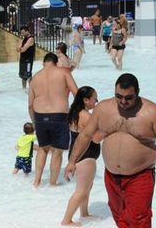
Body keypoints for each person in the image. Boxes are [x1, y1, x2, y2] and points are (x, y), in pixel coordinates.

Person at [65, 73, 156, 228]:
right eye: (119, 96)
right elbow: (85, 135)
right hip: (111, 176)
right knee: (120, 217)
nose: (123, 101)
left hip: (140, 176)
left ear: (137, 93)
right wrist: (72, 161)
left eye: (128, 98)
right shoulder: (103, 109)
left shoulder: (153, 113)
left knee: (138, 219)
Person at [28, 52, 78, 187]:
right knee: (57, 151)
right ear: (56, 63)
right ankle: (52, 183)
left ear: (43, 63)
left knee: (43, 149)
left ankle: (37, 181)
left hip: (39, 116)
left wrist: (34, 121)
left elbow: (30, 105)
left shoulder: (35, 78)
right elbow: (76, 93)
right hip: (59, 115)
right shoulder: (63, 72)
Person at [61, 86, 103, 226]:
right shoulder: (86, 116)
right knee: (81, 190)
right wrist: (109, 128)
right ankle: (66, 220)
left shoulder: (75, 113)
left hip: (77, 153)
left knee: (87, 187)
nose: (97, 101)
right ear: (85, 100)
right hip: (85, 156)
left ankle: (84, 213)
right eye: (95, 99)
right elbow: (97, 138)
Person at [17, 26, 35, 91]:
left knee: (28, 74)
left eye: (23, 33)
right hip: (23, 59)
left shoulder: (31, 39)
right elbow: (17, 49)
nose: (22, 34)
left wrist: (20, 48)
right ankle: (23, 89)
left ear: (27, 31)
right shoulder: (23, 39)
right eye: (21, 33)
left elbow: (23, 50)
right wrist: (20, 41)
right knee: (22, 75)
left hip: (28, 60)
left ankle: (31, 89)